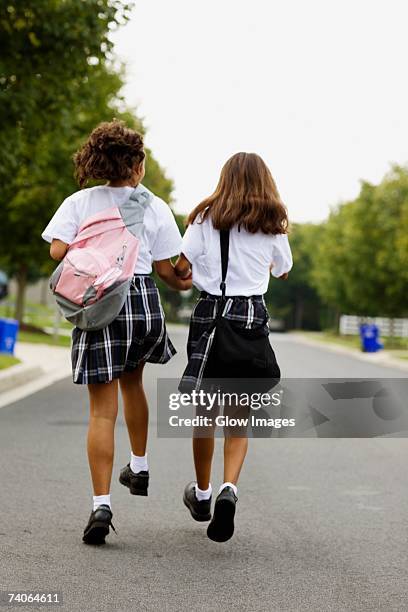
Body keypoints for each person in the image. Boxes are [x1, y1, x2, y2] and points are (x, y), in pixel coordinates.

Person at [42, 120, 191, 545]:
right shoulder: (154, 205)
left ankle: (101, 504)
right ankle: (139, 466)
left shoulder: (80, 202)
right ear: (137, 164)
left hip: (101, 301)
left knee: (101, 411)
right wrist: (184, 282)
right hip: (142, 302)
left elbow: (56, 249)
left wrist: (91, 247)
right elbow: (167, 270)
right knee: (134, 384)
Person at [174, 152, 292, 542]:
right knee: (237, 418)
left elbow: (181, 265)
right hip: (250, 315)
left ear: (224, 178)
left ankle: (203, 494)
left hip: (212, 313)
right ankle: (230, 489)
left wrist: (192, 272)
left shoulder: (204, 218)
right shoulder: (273, 221)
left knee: (204, 414)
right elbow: (283, 268)